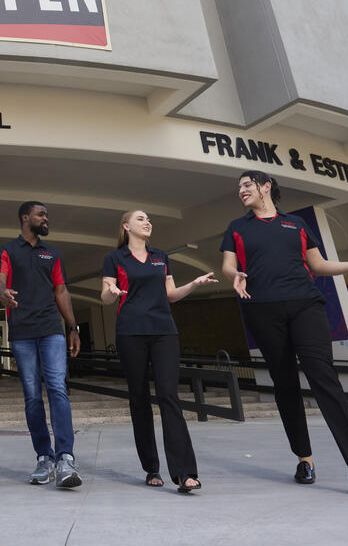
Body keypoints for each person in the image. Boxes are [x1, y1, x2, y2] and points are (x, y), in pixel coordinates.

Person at [220, 170, 348, 496]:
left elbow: (319, 266)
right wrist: (236, 275)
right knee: (286, 383)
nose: (242, 191)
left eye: (247, 185)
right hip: (262, 309)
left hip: (306, 306)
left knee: (324, 378)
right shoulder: (237, 228)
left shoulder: (297, 225)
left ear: (266, 186)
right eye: (239, 187)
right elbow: (228, 265)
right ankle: (305, 459)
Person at [102, 210, 216, 493]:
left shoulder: (161, 257)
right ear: (126, 226)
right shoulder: (115, 258)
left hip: (164, 331)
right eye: (140, 219)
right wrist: (112, 292)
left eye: (149, 219)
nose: (147, 222)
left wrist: (194, 284)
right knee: (139, 398)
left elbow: (171, 295)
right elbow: (105, 296)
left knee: (169, 396)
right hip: (130, 332)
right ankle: (151, 467)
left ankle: (184, 473)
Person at [0, 202, 83, 488]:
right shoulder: (8, 250)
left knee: (57, 388)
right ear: (25, 217)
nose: (46, 218)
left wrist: (73, 327)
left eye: (46, 215)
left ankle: (65, 457)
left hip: (51, 329)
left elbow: (61, 291)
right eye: (41, 214)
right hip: (22, 333)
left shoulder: (52, 254)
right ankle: (44, 456)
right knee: (32, 395)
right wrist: (2, 293)